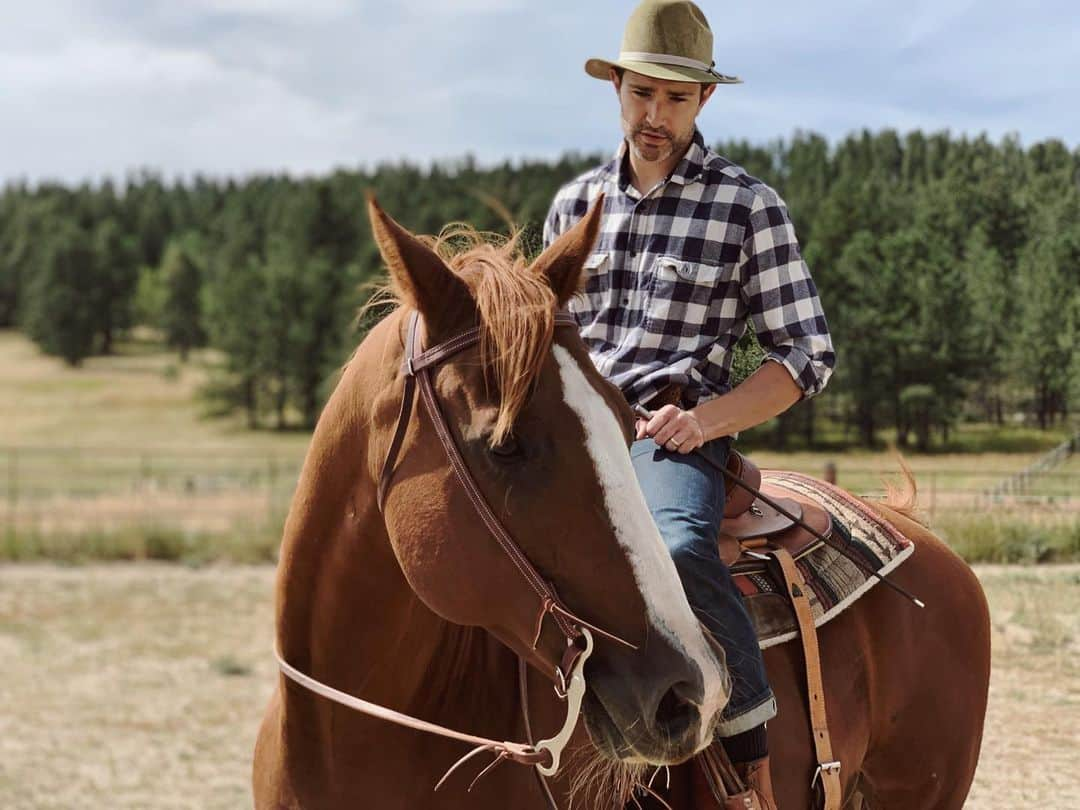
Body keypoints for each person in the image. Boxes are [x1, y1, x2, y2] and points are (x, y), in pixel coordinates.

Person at [542, 1, 836, 806]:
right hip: (579, 434)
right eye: (642, 94)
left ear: (704, 100)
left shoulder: (747, 207)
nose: (654, 115)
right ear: (618, 90)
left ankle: (746, 755)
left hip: (676, 433)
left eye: (675, 98)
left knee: (672, 549)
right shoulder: (573, 206)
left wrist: (706, 421)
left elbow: (806, 354)